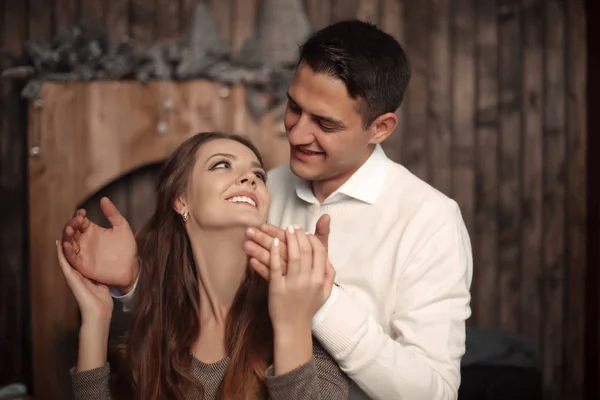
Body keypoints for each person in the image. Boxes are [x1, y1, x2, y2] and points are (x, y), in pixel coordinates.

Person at [63, 20, 473, 400]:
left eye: (324, 124)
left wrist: (322, 304)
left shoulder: (430, 219)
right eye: (294, 107)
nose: (295, 132)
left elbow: (435, 392)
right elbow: (206, 300)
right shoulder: (264, 189)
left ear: (380, 128)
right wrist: (132, 283)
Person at [57, 132, 350, 400]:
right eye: (222, 165)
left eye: (258, 174)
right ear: (181, 199)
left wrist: (293, 323)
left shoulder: (307, 295)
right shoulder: (158, 327)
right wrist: (95, 319)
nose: (249, 178)